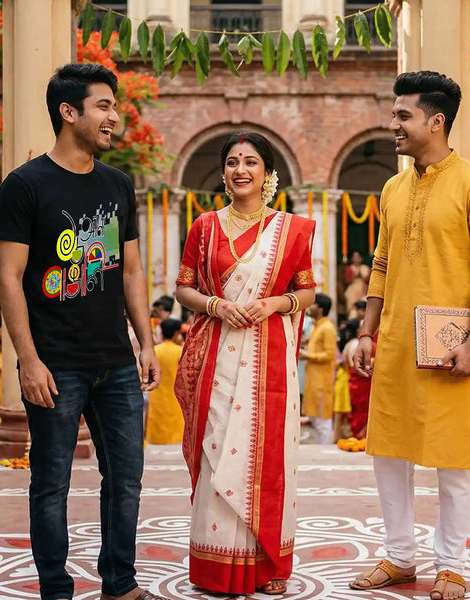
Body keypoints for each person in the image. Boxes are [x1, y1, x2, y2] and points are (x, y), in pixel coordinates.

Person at [0, 63, 163, 600]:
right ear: (69, 113)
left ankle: (120, 582)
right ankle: (56, 590)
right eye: (103, 106)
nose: (114, 116)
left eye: (114, 106)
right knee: (51, 485)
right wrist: (28, 358)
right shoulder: (24, 186)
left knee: (126, 481)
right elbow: (9, 277)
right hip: (55, 364)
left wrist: (146, 341)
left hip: (115, 363)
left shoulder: (117, 184)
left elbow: (131, 270)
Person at [349, 71, 470, 600]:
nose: (392, 124)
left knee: (454, 459)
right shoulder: (394, 187)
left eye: (403, 115)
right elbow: (380, 263)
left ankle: (452, 564)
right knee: (389, 454)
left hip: (452, 345)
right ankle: (399, 557)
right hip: (396, 342)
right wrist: (366, 333)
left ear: (436, 121)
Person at [174, 131, 317, 596]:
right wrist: (215, 306)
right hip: (216, 357)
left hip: (270, 359)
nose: (241, 170)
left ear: (268, 174)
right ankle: (217, 568)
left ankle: (268, 562)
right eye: (233, 162)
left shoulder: (291, 229)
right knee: (218, 452)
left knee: (267, 455)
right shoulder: (205, 226)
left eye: (251, 162)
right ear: (223, 172)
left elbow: (307, 292)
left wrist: (276, 304)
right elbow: (184, 288)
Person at [302, 294, 338, 444]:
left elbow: (330, 355)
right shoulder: (317, 327)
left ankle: (326, 452)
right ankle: (321, 449)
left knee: (323, 422)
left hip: (322, 382)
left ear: (321, 308)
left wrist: (307, 355)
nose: (310, 307)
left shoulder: (327, 328)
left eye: (313, 304)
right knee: (316, 420)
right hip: (313, 380)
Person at [145, 319, 185, 445]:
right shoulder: (181, 351)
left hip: (157, 397)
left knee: (156, 432)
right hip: (176, 399)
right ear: (176, 333)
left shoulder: (154, 351)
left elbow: (144, 373)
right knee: (177, 436)